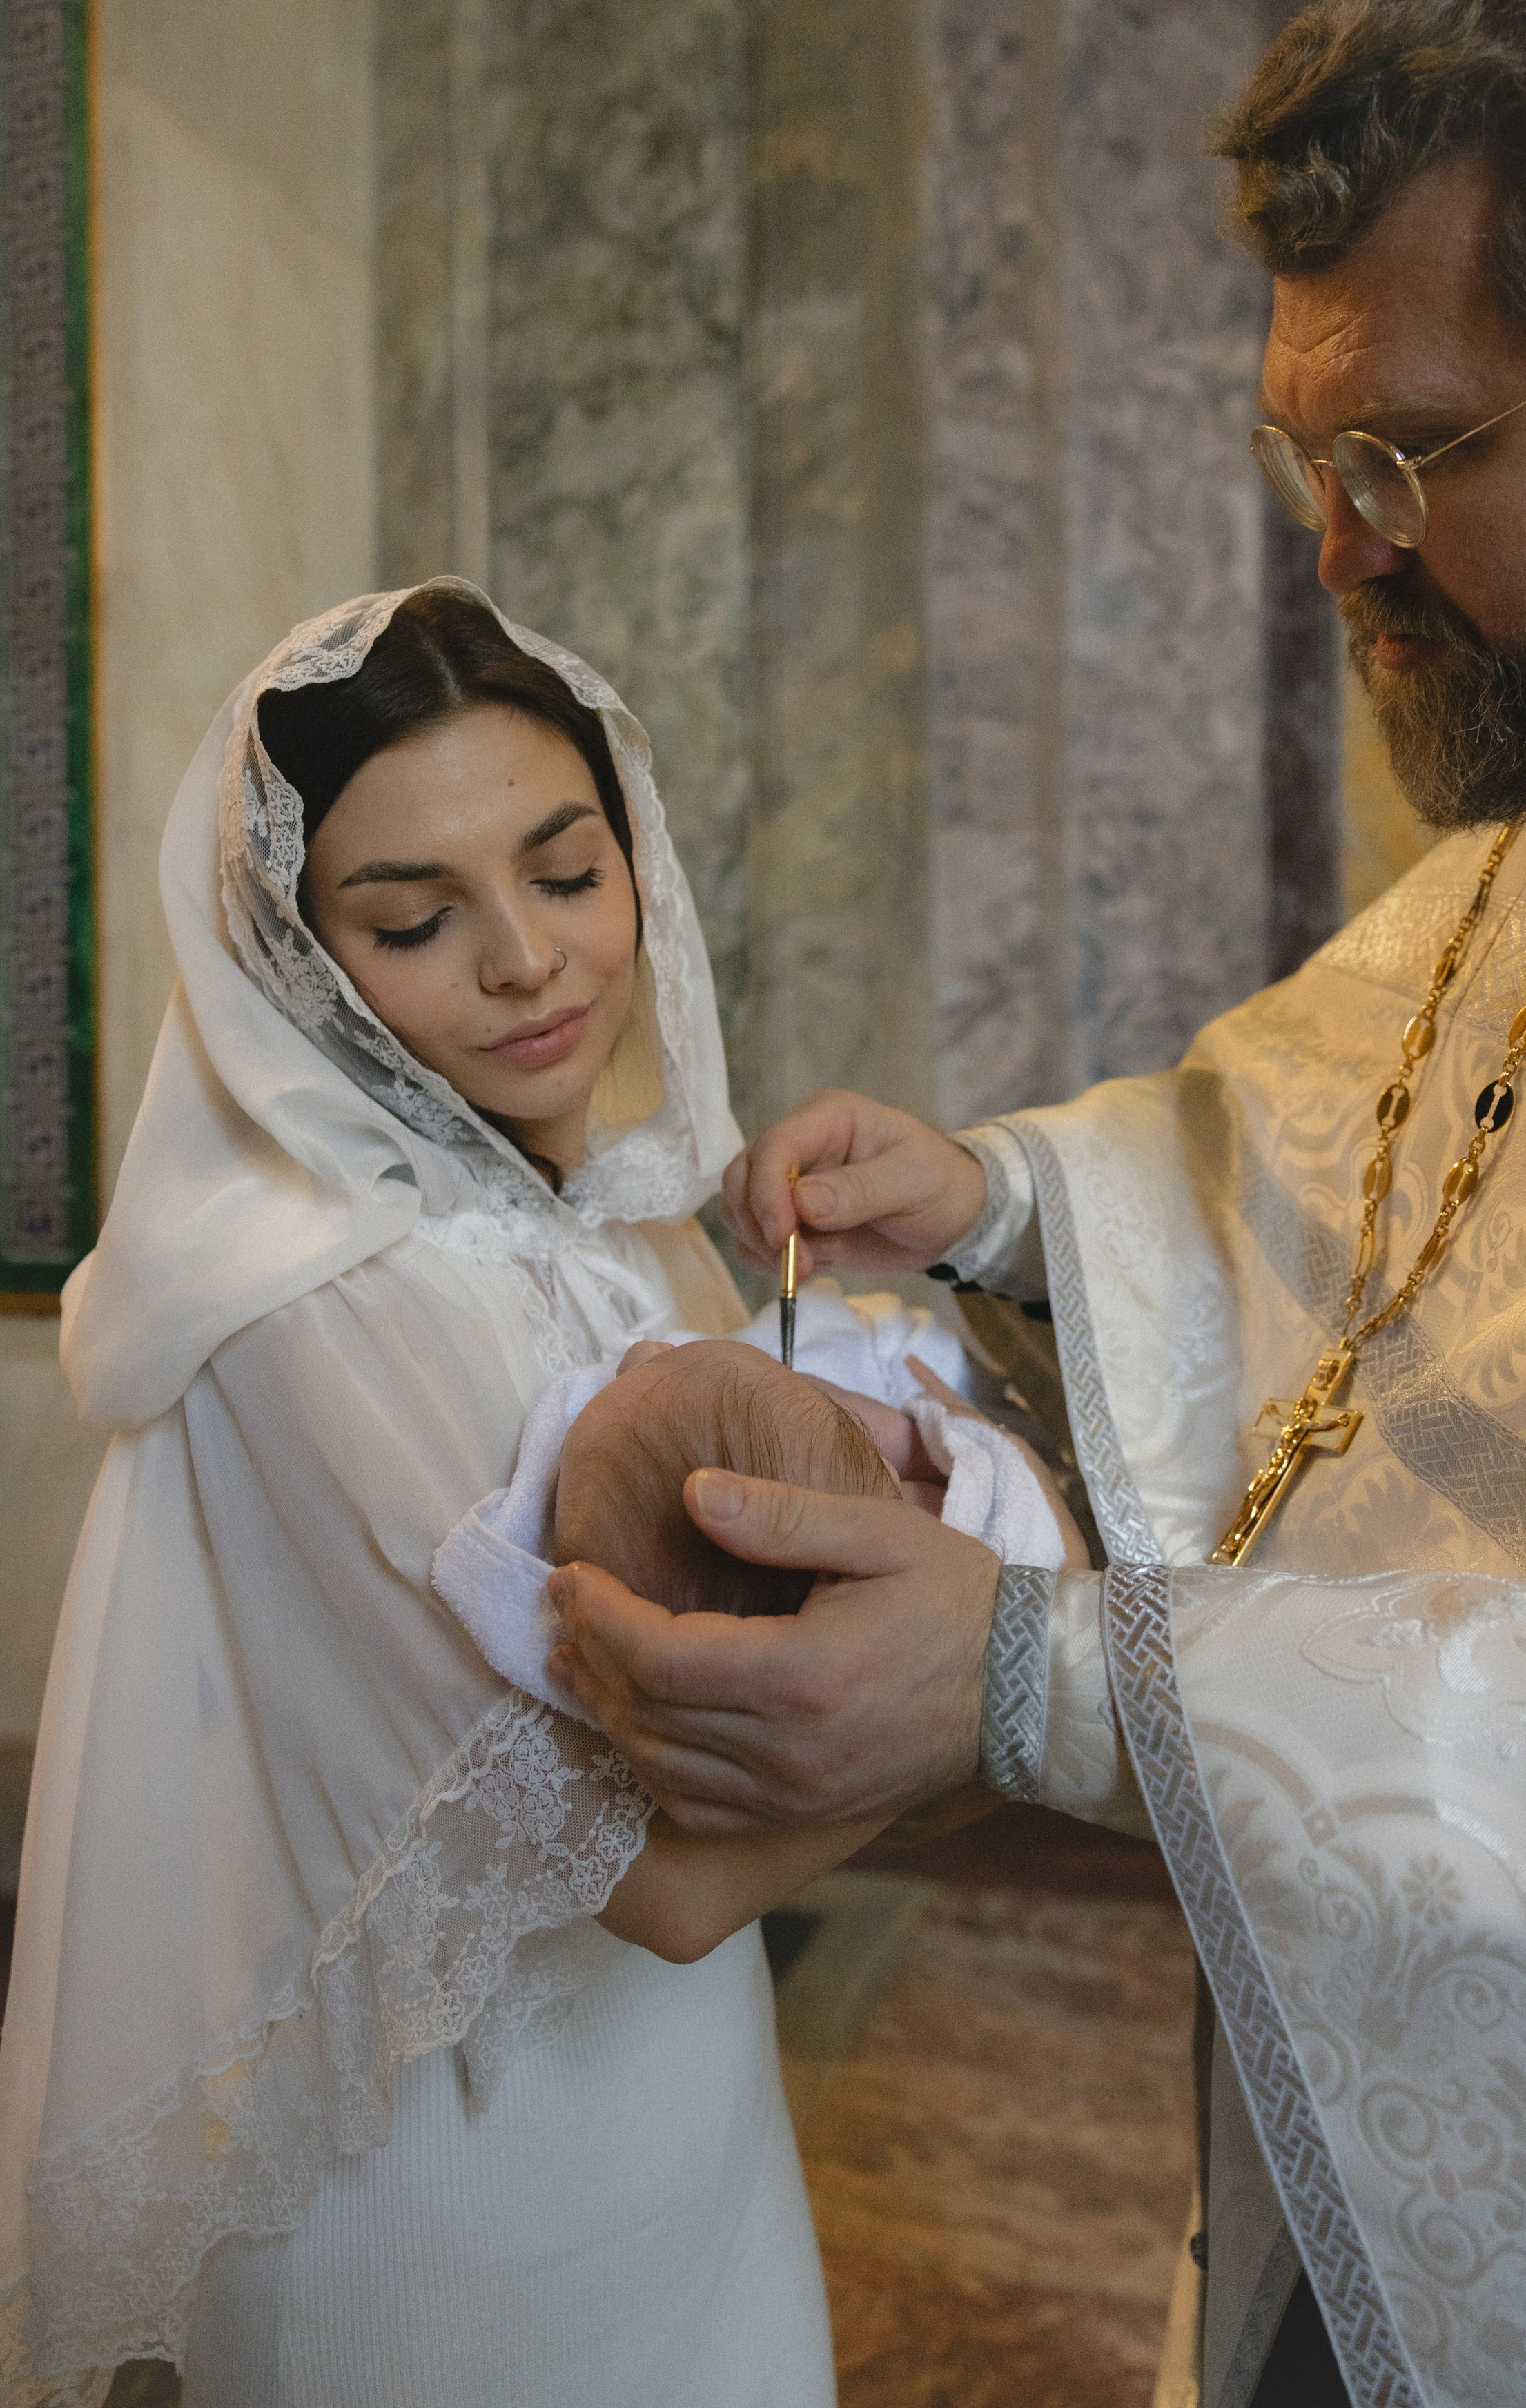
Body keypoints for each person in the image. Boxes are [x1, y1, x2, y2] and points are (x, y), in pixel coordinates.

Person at [546, 0, 1526, 2408]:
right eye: (1300, 448)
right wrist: (999, 1204)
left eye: (1421, 454)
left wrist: (1030, 1685)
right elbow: (1347, 1146)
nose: (1340, 548)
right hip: (1374, 2086)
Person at [0, 578, 950, 2407]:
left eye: (568, 870)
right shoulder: (332, 1293)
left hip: (678, 2124)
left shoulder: (584, 1204)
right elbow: (659, 1881)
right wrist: (1022, 1703)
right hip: (463, 2208)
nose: (526, 961)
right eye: (418, 917)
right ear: (294, 961)